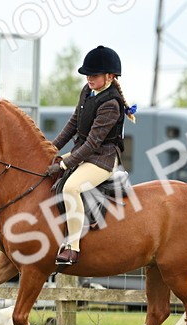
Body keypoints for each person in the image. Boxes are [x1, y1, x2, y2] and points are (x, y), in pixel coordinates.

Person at [46, 45, 134, 267]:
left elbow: (93, 142)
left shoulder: (111, 104)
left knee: (70, 187)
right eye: (87, 74)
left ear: (110, 76)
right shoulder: (87, 91)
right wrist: (50, 148)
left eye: (94, 75)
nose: (89, 78)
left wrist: (66, 162)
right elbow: (73, 124)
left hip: (103, 159)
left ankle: (72, 248)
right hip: (84, 152)